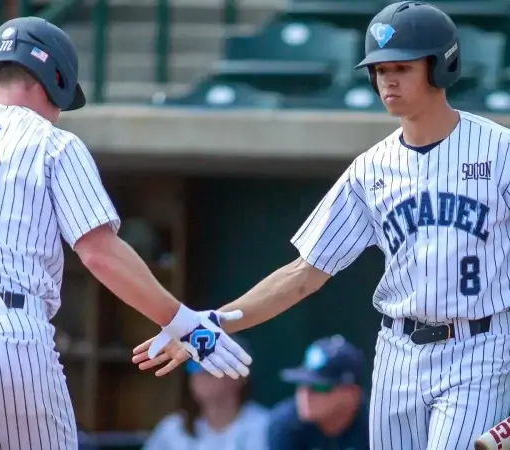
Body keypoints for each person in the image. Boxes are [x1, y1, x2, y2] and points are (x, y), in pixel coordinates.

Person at [133, 2, 510, 449]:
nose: (387, 80)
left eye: (402, 67)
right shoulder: (372, 168)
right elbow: (302, 274)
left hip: (480, 344)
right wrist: (215, 321)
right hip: (398, 351)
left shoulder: (499, 151)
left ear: (441, 66)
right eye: (379, 68)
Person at [0, 16, 251, 450]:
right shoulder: (53, 143)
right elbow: (99, 253)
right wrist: (185, 323)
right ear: (54, 78)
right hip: (6, 326)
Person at [143, 335, 269, 450]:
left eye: (213, 362)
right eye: (195, 363)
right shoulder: (172, 428)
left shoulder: (265, 427)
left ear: (241, 375)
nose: (202, 370)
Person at [268, 335, 369, 450]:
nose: (305, 394)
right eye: (301, 383)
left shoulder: (375, 426)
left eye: (320, 387)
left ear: (352, 393)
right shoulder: (285, 424)